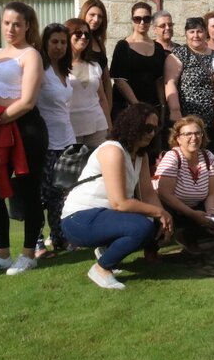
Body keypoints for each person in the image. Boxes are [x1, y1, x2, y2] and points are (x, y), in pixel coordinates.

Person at [0, 1, 49, 277]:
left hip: (26, 129)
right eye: (7, 23)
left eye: (17, 23)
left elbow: (27, 101)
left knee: (29, 191)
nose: (11, 28)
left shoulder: (31, 55)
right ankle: (2, 253)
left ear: (27, 25)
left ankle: (29, 253)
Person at [60, 103, 172, 290]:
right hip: (79, 219)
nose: (152, 133)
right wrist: (158, 212)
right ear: (132, 125)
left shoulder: (141, 155)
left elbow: (148, 192)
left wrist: (163, 218)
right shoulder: (113, 150)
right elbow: (119, 203)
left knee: (154, 225)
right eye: (147, 128)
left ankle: (106, 251)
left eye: (155, 128)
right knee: (141, 227)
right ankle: (101, 268)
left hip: (105, 216)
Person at [35, 23, 76, 254]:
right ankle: (37, 242)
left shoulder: (64, 71)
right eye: (54, 42)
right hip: (45, 142)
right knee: (42, 195)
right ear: (45, 43)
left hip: (66, 140)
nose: (59, 46)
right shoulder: (40, 70)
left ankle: (59, 238)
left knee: (60, 195)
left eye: (62, 42)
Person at [154, 116, 214, 252]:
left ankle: (188, 237)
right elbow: (164, 194)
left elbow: (212, 192)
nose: (194, 137)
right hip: (170, 206)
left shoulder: (209, 157)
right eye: (187, 134)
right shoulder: (173, 157)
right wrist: (192, 214)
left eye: (197, 133)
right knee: (162, 216)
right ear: (178, 138)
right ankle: (153, 248)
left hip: (195, 205)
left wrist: (211, 215)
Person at [165, 17, 214, 156]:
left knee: (210, 156)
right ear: (186, 34)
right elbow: (170, 82)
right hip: (187, 117)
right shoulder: (180, 54)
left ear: (206, 33)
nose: (196, 36)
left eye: (200, 31)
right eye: (191, 32)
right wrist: (175, 110)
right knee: (187, 155)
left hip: (212, 118)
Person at [110, 1, 167, 131]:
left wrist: (162, 108)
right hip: (127, 108)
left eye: (146, 19)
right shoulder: (123, 46)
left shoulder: (158, 48)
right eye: (138, 19)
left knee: (152, 149)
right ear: (132, 20)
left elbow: (159, 80)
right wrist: (137, 106)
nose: (142, 23)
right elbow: (119, 80)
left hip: (152, 108)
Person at [66, 18, 112, 148]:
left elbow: (102, 99)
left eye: (87, 34)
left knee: (98, 167)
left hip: (98, 126)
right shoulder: (58, 67)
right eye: (78, 33)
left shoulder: (95, 65)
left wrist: (109, 125)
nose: (83, 37)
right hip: (71, 128)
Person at [80, 0, 113, 107]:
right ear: (84, 14)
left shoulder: (99, 42)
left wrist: (109, 104)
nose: (96, 19)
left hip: (101, 102)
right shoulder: (76, 41)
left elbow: (106, 78)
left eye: (100, 16)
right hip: (83, 102)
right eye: (92, 15)